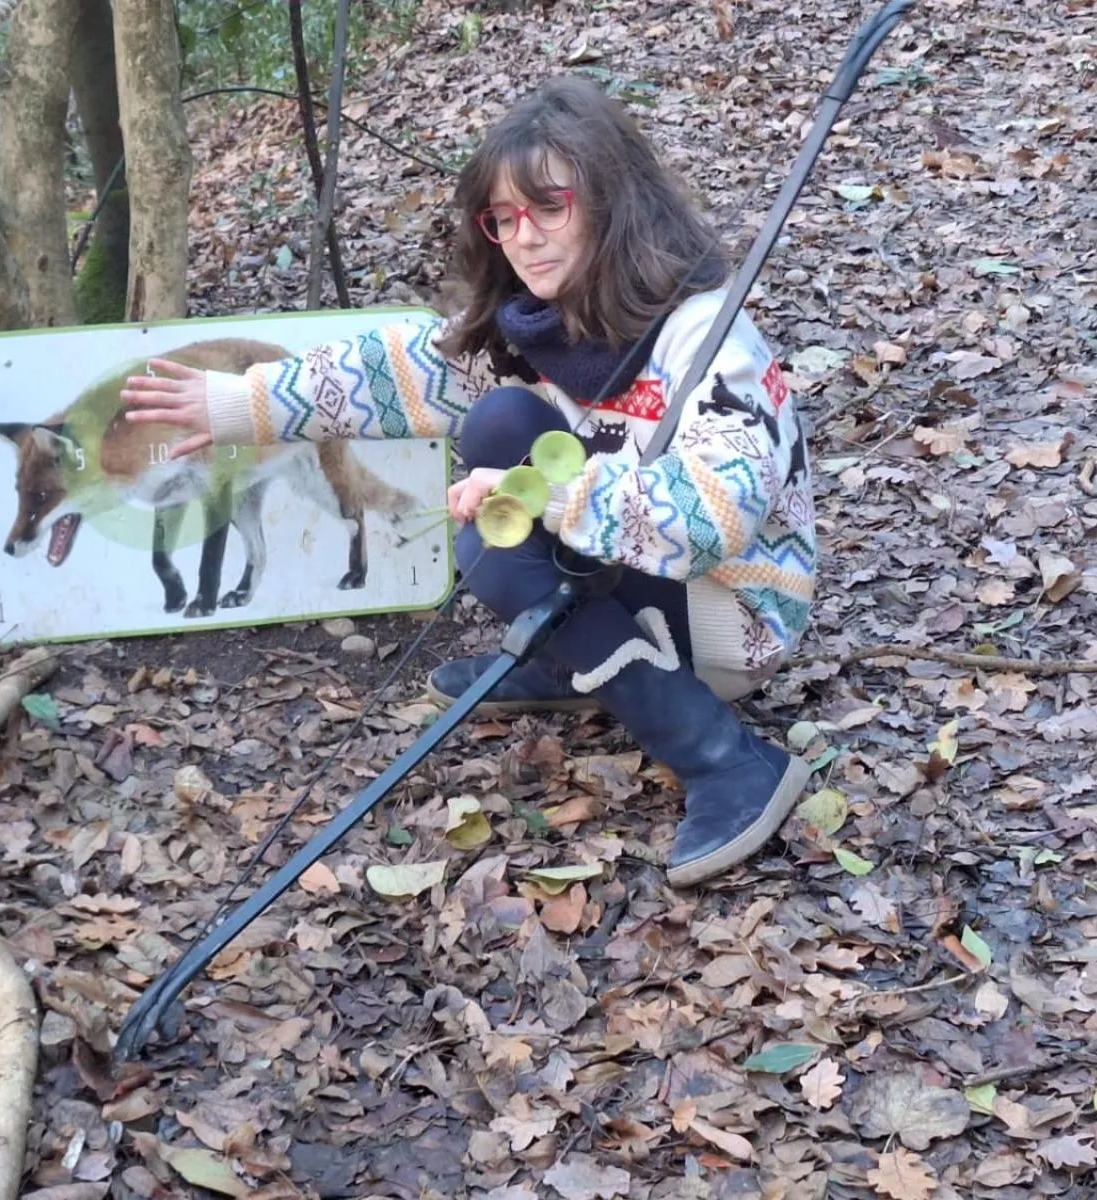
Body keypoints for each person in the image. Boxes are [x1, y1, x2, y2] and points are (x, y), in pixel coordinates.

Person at [117, 75, 817, 888]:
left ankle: (726, 760)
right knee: (497, 426)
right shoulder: (539, 325)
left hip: (734, 612)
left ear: (615, 199)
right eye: (505, 218)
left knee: (494, 544)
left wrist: (537, 497)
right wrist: (243, 402)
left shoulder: (707, 335)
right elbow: (404, 371)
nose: (524, 238)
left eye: (549, 207)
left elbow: (716, 518)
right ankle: (571, 659)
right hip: (647, 581)